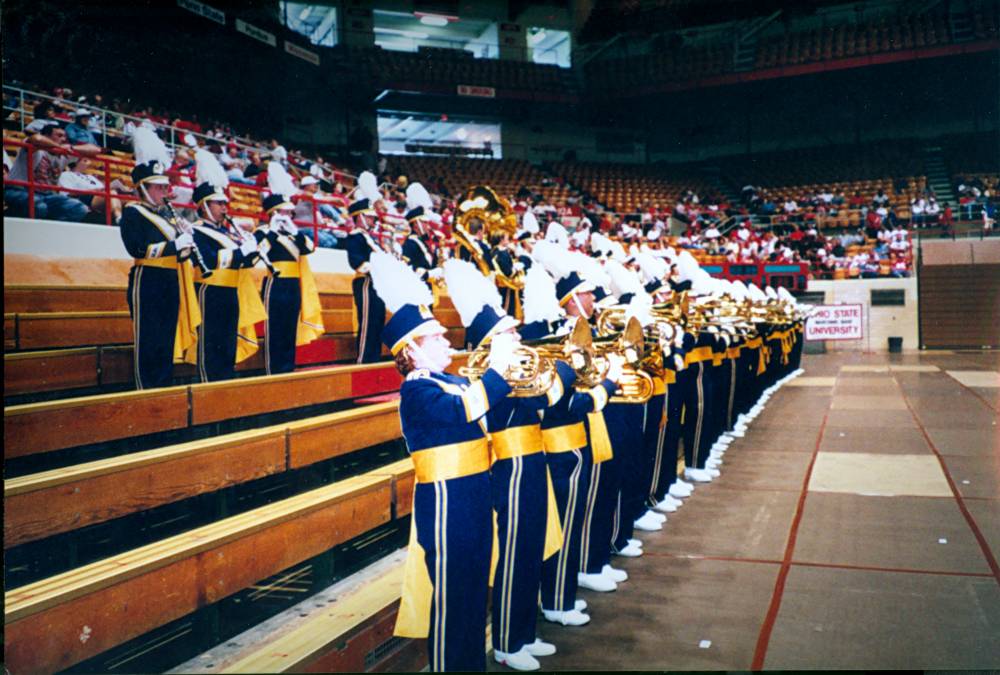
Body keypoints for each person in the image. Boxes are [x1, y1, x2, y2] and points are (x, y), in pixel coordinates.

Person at [372, 252, 518, 672]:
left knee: (473, 596)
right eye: (434, 338)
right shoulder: (416, 389)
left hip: (472, 496)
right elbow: (466, 410)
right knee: (453, 599)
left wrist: (504, 372)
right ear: (412, 350)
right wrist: (501, 370)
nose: (445, 341)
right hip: (447, 502)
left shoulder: (451, 379)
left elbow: (486, 408)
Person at [119, 129, 201, 389]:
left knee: (166, 337)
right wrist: (172, 245)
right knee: (149, 339)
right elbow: (137, 248)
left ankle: (163, 389)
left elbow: (178, 252)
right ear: (143, 188)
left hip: (169, 278)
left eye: (165, 186)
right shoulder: (133, 212)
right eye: (158, 187)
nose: (164, 191)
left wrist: (187, 244)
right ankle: (147, 391)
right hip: (148, 279)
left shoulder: (167, 216)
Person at [189, 162, 266, 382]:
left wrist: (253, 248)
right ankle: (208, 386)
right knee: (210, 344)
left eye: (225, 203)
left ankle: (225, 386)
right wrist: (241, 252)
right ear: (204, 205)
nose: (225, 207)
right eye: (219, 203)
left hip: (230, 292)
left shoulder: (228, 233)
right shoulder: (196, 230)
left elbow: (242, 262)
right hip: (209, 290)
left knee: (227, 343)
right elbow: (210, 258)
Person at [255, 182, 321, 375]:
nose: (289, 216)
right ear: (274, 213)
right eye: (285, 213)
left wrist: (295, 232)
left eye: (290, 213)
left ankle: (287, 369)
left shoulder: (294, 235)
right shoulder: (263, 232)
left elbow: (309, 248)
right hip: (275, 283)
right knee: (275, 330)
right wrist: (273, 233)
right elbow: (260, 252)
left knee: (289, 330)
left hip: (292, 286)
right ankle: (272, 371)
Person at [5, 123, 95, 221]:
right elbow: (37, 139)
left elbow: (95, 149)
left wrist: (72, 148)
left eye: (65, 136)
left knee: (79, 208)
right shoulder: (35, 149)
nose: (64, 139)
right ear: (46, 136)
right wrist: (58, 147)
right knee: (39, 206)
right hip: (18, 190)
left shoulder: (63, 154)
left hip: (47, 195)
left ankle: (53, 232)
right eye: (59, 135)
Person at [345, 171, 387, 363]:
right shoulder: (355, 236)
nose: (372, 220)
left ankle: (374, 358)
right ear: (360, 217)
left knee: (377, 321)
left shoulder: (371, 238)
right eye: (368, 217)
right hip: (365, 282)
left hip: (377, 283)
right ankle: (364, 359)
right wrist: (377, 265)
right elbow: (357, 262)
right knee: (368, 322)